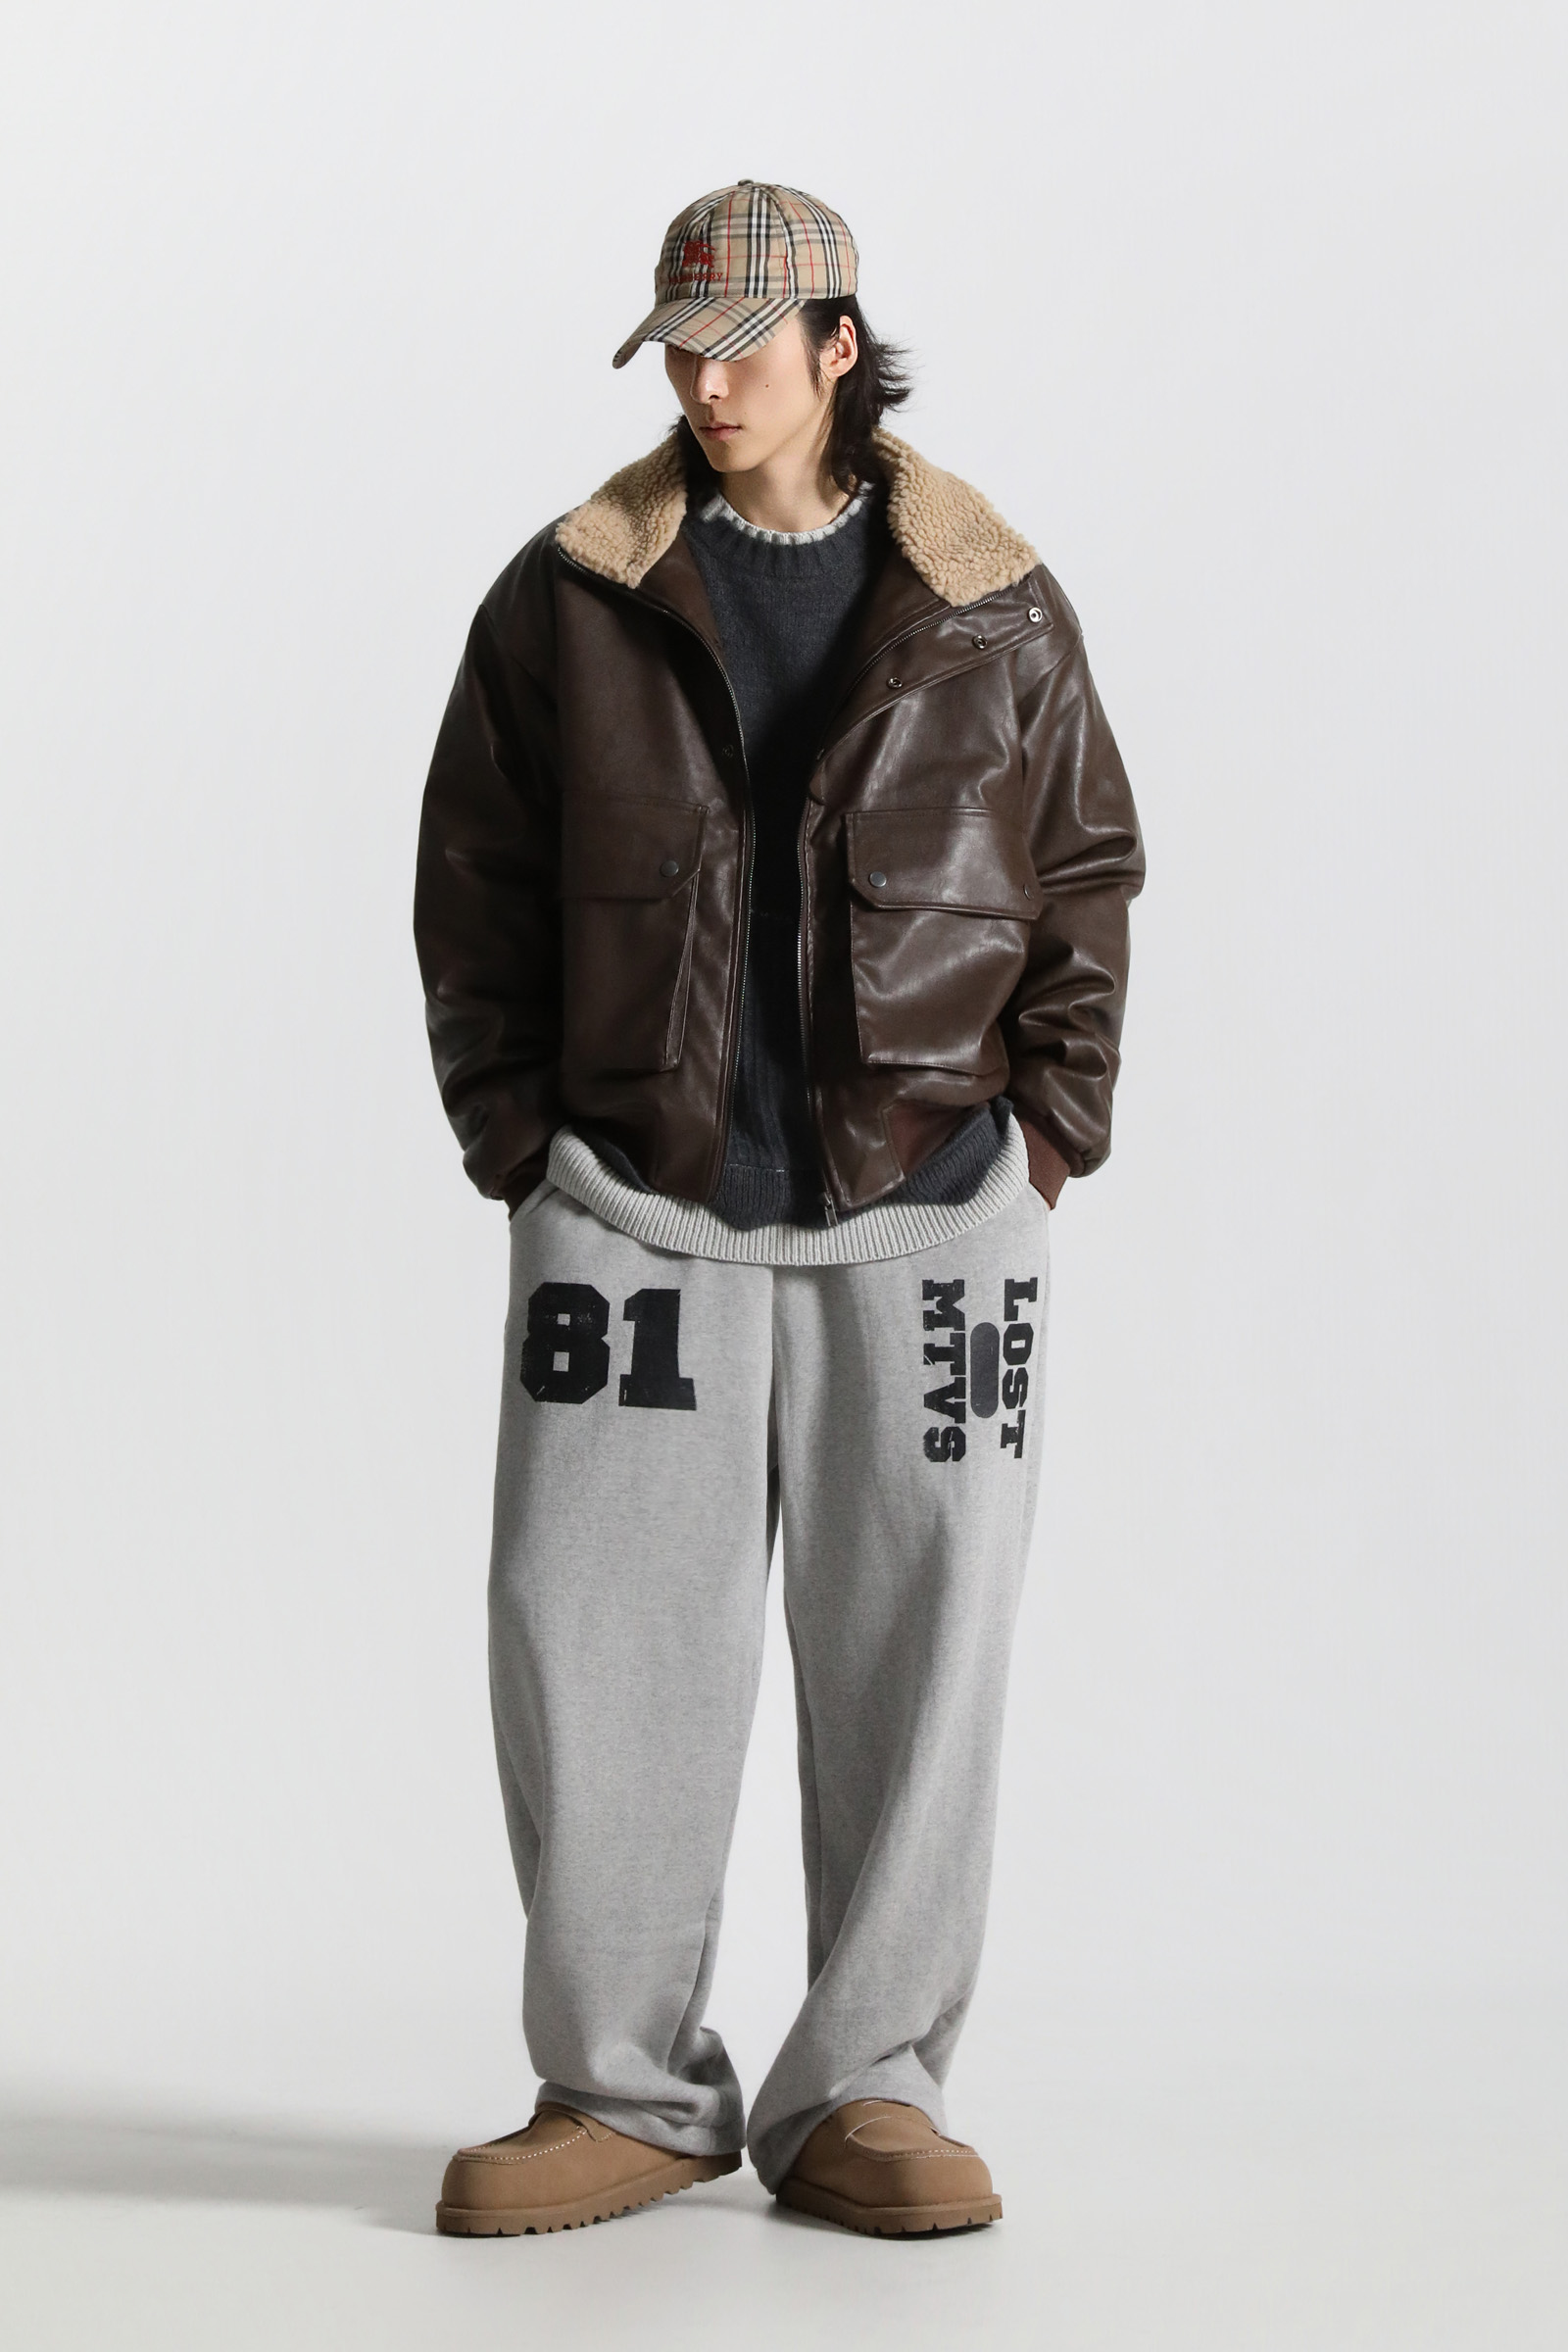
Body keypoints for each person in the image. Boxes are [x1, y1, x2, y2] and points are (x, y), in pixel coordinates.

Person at [414, 178, 1144, 2238]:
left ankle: (871, 2092)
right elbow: (472, 877)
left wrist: (1044, 1137)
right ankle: (622, 2091)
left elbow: (1084, 866)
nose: (704, 386)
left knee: (924, 1652)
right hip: (632, 1209)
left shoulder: (995, 605)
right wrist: (522, 1147)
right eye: (679, 350)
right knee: (589, 1642)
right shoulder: (570, 595)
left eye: (741, 347)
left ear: (839, 346)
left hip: (933, 1206)